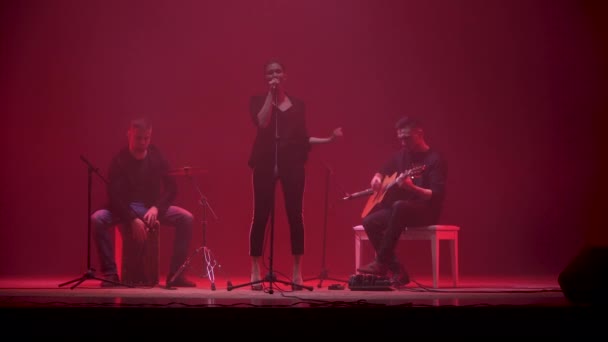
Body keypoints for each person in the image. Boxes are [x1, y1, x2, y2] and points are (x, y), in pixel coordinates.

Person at [248, 59, 343, 290]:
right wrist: (271, 96)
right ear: (265, 77)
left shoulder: (299, 105)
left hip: (292, 165)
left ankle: (297, 271)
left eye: (278, 71)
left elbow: (303, 138)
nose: (274, 75)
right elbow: (262, 123)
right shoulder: (258, 101)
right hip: (265, 163)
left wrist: (329, 139)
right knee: (261, 214)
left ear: (285, 75)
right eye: (270, 72)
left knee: (295, 215)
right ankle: (255, 269)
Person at [91, 118, 196, 288]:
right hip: (124, 209)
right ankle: (110, 274)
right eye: (138, 138)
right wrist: (131, 219)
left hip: (150, 208)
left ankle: (176, 275)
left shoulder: (157, 156)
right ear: (129, 135)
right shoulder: (119, 160)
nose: (142, 142)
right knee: (98, 219)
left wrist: (156, 207)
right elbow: (114, 196)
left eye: (146, 138)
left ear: (150, 136)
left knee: (187, 218)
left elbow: (171, 188)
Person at [356, 116, 447, 287]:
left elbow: (436, 195)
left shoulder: (435, 159)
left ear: (419, 133)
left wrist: (412, 188)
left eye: (407, 138)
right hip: (402, 211)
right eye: (400, 139)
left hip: (426, 211)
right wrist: (376, 178)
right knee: (369, 221)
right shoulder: (400, 156)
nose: (403, 143)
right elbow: (382, 170)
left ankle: (381, 261)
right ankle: (398, 271)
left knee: (399, 206)